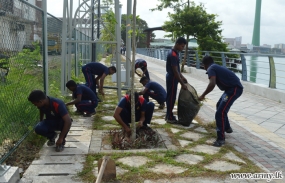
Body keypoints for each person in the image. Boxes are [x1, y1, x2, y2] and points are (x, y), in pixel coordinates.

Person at [198, 56, 243, 147]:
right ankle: (227, 127)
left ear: (204, 65)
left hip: (234, 89)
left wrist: (203, 95)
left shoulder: (211, 68)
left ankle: (221, 139)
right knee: (219, 105)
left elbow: (212, 84)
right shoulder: (214, 66)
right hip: (230, 89)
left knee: (220, 113)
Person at [165, 37, 187, 124]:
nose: (183, 48)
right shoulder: (173, 55)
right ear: (177, 44)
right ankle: (169, 117)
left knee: (171, 96)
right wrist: (182, 83)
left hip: (173, 77)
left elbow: (177, 68)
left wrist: (182, 76)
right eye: (182, 46)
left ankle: (168, 114)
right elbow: (175, 71)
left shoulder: (175, 53)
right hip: (172, 78)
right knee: (171, 98)